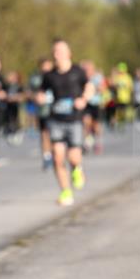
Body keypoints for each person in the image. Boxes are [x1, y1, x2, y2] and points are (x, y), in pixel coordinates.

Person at [37, 39, 93, 206]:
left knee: (73, 157)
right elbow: (41, 93)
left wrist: (84, 99)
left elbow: (90, 87)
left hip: (74, 120)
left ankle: (77, 169)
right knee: (57, 157)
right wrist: (39, 98)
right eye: (54, 52)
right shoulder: (49, 76)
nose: (56, 55)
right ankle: (66, 192)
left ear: (68, 53)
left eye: (60, 51)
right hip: (56, 120)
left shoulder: (78, 72)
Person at [27, 57, 55, 170]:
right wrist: (36, 97)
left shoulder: (56, 76)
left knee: (54, 134)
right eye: (44, 66)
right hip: (42, 111)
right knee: (44, 133)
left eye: (49, 66)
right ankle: (46, 156)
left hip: (55, 110)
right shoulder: (36, 79)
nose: (46, 68)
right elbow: (29, 92)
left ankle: (55, 154)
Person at [82, 60, 106, 154]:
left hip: (96, 103)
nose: (87, 70)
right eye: (86, 69)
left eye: (89, 68)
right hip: (86, 103)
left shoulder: (97, 77)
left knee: (96, 126)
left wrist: (96, 88)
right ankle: (87, 143)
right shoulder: (83, 77)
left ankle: (97, 142)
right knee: (86, 122)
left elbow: (103, 88)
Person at [108, 62, 133, 130]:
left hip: (125, 98)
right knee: (117, 111)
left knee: (123, 112)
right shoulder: (117, 77)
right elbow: (112, 84)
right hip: (118, 98)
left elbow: (131, 88)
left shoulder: (128, 77)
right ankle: (117, 123)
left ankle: (122, 123)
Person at [3, 70, 24, 145]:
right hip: (7, 106)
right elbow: (3, 94)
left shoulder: (19, 86)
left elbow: (22, 96)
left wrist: (14, 98)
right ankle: (9, 132)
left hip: (15, 106)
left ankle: (17, 131)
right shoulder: (6, 86)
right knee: (8, 119)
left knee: (15, 119)